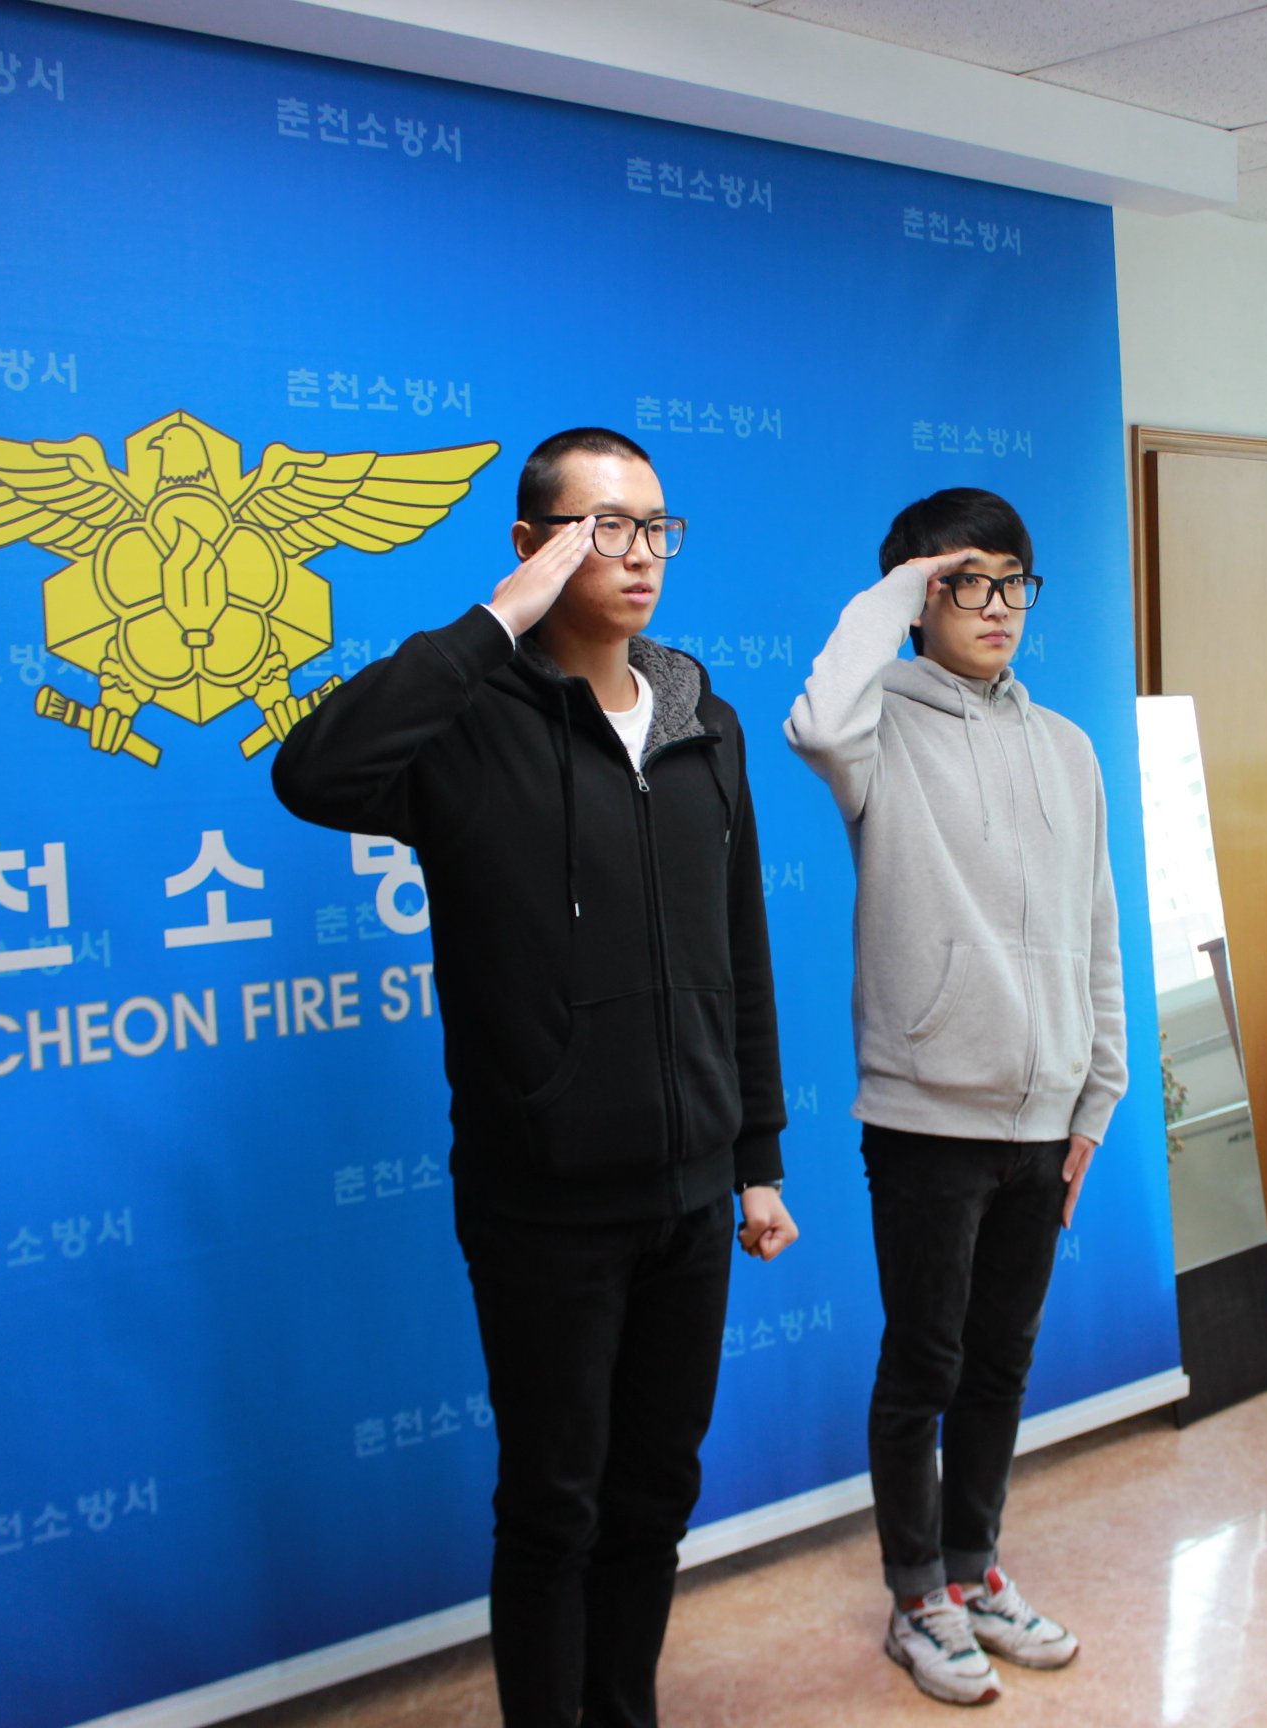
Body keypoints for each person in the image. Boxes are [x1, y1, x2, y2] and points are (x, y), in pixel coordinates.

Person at [272, 426, 798, 1728]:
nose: (639, 554)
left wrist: (757, 1159)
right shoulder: (467, 726)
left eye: (655, 528)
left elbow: (740, 950)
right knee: (556, 1506)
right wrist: (496, 622)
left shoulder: (705, 721)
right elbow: (312, 770)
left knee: (654, 1496)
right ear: (531, 544)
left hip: (693, 1198)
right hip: (545, 1204)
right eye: (603, 527)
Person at [785, 488, 1126, 1707]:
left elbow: (1098, 926)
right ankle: (915, 1595)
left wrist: (1099, 1092)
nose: (996, 606)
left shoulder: (1068, 746)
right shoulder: (876, 726)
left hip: (1047, 1117)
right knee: (923, 1363)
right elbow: (813, 720)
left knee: (1001, 1363)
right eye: (964, 583)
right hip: (928, 1114)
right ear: (919, 597)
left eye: (1012, 582)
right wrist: (895, 588)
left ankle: (975, 1569)